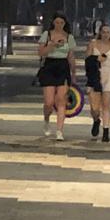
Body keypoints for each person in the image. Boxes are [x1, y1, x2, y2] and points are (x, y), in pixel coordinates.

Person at [37, 13, 77, 141]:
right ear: (53, 23)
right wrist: (52, 45)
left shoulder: (69, 37)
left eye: (62, 23)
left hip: (63, 67)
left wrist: (74, 72)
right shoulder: (47, 34)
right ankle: (46, 120)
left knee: (61, 100)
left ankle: (59, 131)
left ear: (65, 24)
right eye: (57, 22)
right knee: (49, 102)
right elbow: (41, 52)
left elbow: (71, 56)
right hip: (49, 66)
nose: (59, 25)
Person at [86, 24, 110, 143]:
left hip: (109, 76)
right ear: (100, 32)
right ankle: (96, 120)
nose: (105, 34)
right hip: (94, 77)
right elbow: (87, 61)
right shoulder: (93, 44)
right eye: (103, 32)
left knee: (106, 105)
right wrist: (96, 58)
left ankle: (106, 132)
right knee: (95, 108)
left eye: (108, 32)